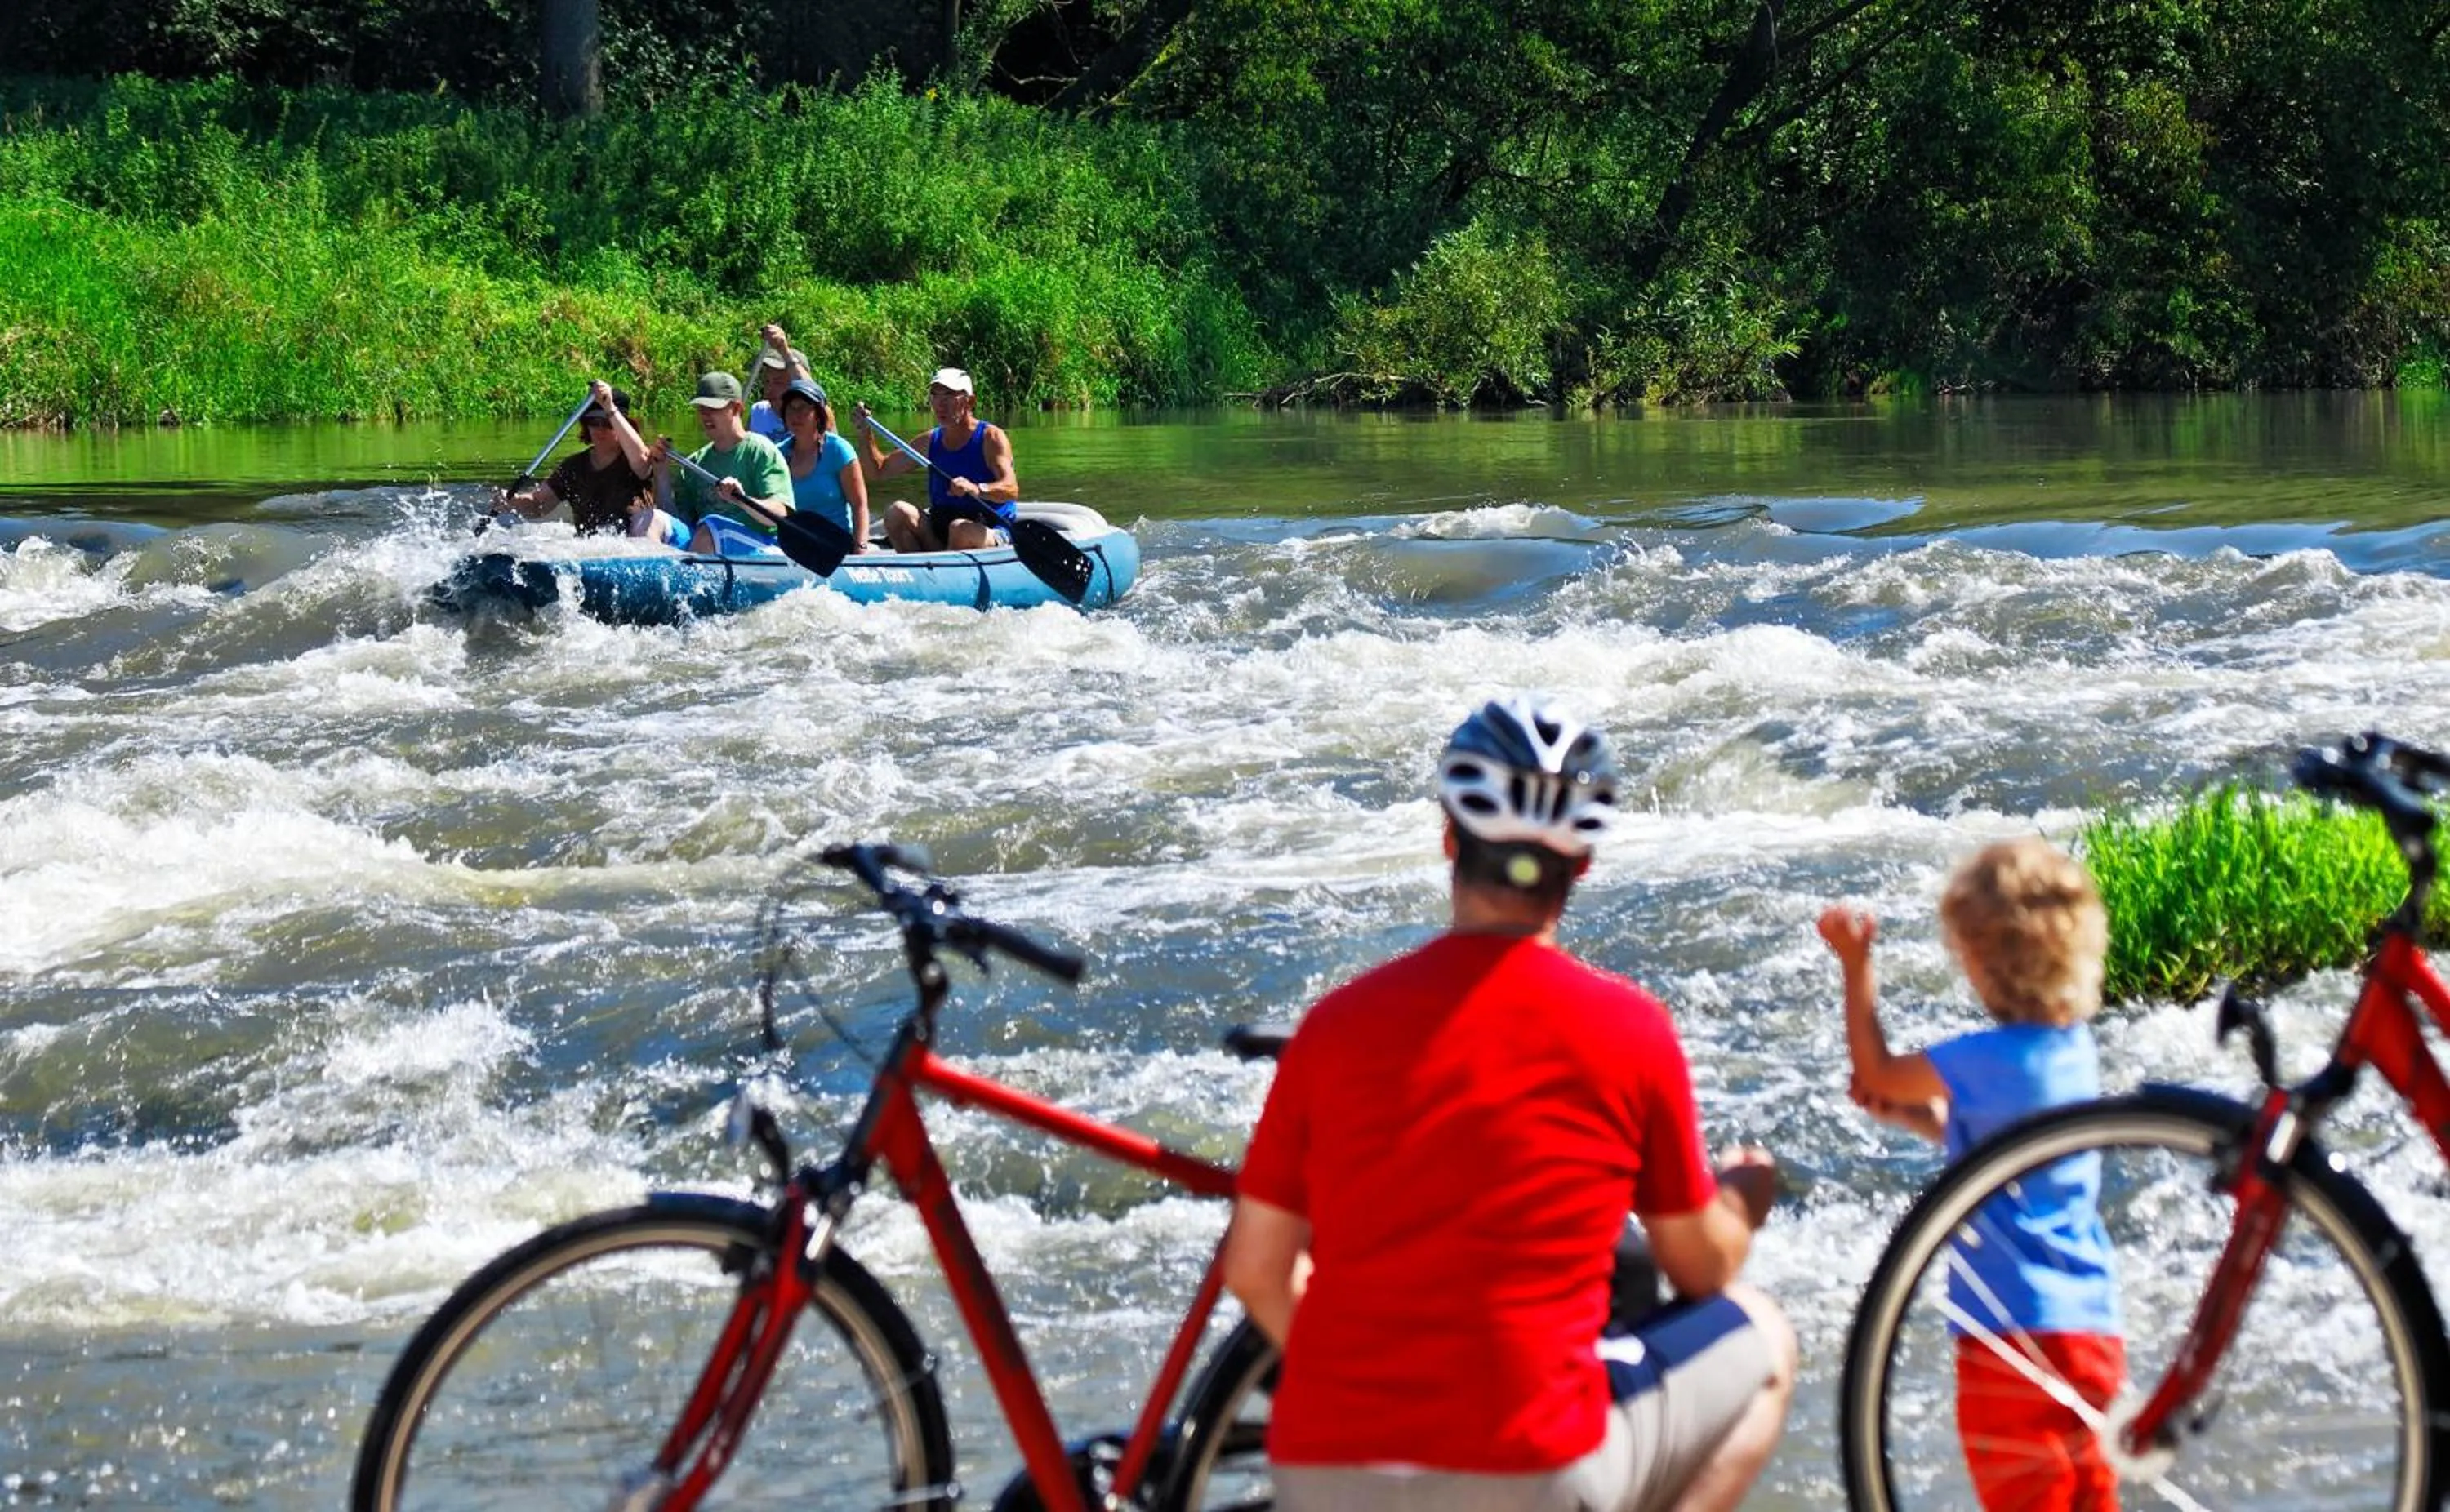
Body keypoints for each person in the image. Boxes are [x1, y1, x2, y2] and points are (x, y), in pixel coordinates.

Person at [1222, 696, 1797, 1512]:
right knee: (1762, 1329)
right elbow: (1698, 1265)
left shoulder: (1335, 1025)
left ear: (1450, 838)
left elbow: (1253, 1268)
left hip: (1324, 1470)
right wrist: (1743, 1197)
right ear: (1584, 863)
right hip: (1528, 1470)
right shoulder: (1629, 1028)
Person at [1818, 837, 2121, 1512]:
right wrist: (1922, 1120)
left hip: (2009, 1340)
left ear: (1983, 962)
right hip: (2093, 1329)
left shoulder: (1985, 1057)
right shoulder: (2073, 1052)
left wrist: (1856, 964)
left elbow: (1875, 1071)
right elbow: (2007, 1154)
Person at [851, 367, 1018, 554]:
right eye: (935, 396)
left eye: (948, 396)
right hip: (942, 530)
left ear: (970, 401)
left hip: (989, 529)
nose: (940, 404)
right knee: (896, 512)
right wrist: (865, 432)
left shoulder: (991, 438)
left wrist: (977, 489)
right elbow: (878, 471)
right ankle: (919, 574)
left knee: (960, 529)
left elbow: (1011, 489)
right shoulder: (929, 441)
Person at [641, 371, 795, 558]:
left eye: (713, 408)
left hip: (759, 546)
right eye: (701, 408)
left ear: (737, 408)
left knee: (710, 528)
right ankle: (649, 582)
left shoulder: (761, 451)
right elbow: (677, 518)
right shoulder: (697, 461)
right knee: (649, 518)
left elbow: (780, 514)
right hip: (707, 541)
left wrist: (741, 499)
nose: (705, 415)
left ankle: (690, 581)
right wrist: (661, 473)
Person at [498, 380, 653, 536]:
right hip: (590, 545)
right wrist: (513, 502)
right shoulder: (573, 467)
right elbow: (539, 504)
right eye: (594, 422)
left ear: (623, 425)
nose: (600, 429)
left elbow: (643, 462)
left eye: (608, 423)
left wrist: (610, 408)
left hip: (634, 542)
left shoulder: (634, 461)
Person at [776, 376, 869, 550]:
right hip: (794, 547)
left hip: (835, 546)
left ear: (818, 415)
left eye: (803, 408)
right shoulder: (777, 454)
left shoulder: (839, 450)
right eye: (791, 408)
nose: (796, 415)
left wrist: (860, 549)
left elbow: (860, 505)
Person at [746, 322, 813, 442]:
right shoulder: (758, 413)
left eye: (778, 382)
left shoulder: (817, 418)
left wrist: (784, 349)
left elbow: (811, 392)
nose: (769, 389)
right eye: (767, 381)